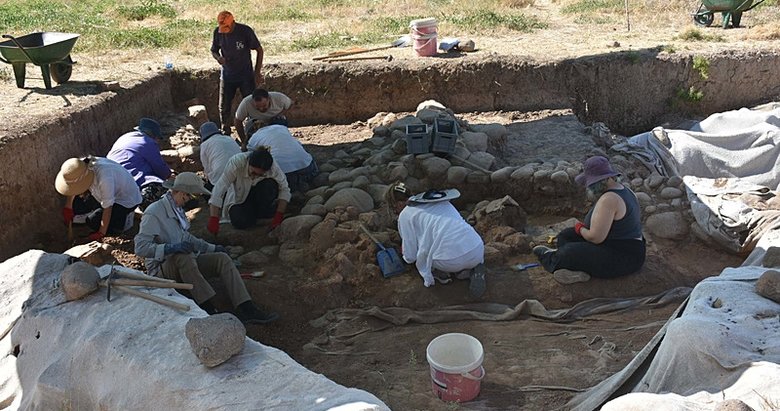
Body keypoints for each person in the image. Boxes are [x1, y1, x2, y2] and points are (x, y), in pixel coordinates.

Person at [134, 172, 279, 324]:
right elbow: (140, 248)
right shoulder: (154, 212)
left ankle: (247, 308)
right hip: (161, 271)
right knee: (183, 255)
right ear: (182, 193)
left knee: (221, 259)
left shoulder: (176, 209)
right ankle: (209, 308)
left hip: (183, 265)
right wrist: (169, 248)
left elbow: (187, 238)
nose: (190, 201)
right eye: (191, 196)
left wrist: (213, 248)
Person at [533, 156, 646, 284]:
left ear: (603, 180)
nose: (589, 187)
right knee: (566, 236)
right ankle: (572, 258)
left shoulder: (609, 199)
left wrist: (580, 228)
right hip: (619, 243)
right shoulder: (624, 189)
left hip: (624, 256)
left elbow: (595, 238)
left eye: (592, 183)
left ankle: (551, 257)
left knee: (569, 252)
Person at [385, 182, 487, 298]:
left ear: (396, 204)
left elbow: (410, 256)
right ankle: (467, 270)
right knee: (442, 242)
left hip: (449, 261)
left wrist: (405, 256)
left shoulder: (405, 214)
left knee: (423, 258)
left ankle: (441, 272)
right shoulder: (441, 200)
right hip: (477, 248)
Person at [56, 156, 142, 241]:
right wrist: (69, 207)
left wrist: (101, 233)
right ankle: (94, 211)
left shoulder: (105, 178)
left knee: (93, 222)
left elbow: (108, 207)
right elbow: (72, 187)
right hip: (100, 193)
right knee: (77, 207)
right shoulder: (78, 166)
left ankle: (124, 220)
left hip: (125, 201)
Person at [207, 147, 290, 234]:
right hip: (240, 199)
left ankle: (264, 214)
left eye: (259, 175)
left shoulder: (273, 167)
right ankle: (259, 219)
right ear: (248, 162)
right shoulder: (236, 163)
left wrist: (279, 215)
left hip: (260, 194)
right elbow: (219, 188)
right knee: (238, 220)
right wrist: (214, 217)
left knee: (270, 185)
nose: (255, 176)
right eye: (253, 173)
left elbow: (284, 189)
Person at [211, 10, 264, 136]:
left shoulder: (245, 31)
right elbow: (214, 50)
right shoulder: (217, 33)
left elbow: (259, 50)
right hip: (227, 76)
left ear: (233, 23)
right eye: (223, 28)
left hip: (246, 75)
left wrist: (257, 73)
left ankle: (253, 131)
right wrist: (218, 58)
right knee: (224, 106)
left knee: (251, 104)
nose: (225, 31)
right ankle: (226, 132)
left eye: (227, 28)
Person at [107, 117, 172, 211]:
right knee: (173, 196)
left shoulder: (125, 137)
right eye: (158, 138)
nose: (158, 141)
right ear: (153, 135)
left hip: (112, 185)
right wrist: (170, 175)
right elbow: (161, 169)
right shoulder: (148, 142)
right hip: (136, 184)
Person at [247, 123, 318, 192]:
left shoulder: (253, 139)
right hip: (307, 167)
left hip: (284, 173)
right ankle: (301, 182)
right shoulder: (280, 127)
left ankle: (296, 184)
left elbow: (253, 159)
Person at [199, 121, 241, 191]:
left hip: (220, 180)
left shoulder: (204, 145)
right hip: (241, 174)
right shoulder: (229, 138)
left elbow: (207, 169)